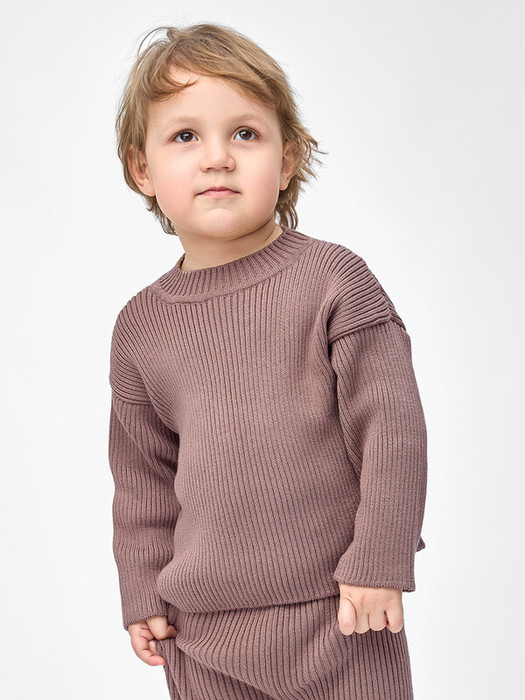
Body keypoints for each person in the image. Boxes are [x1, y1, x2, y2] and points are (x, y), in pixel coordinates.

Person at [108, 21, 428, 700]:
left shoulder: (335, 281)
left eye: (245, 133)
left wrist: (380, 556)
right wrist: (141, 586)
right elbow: (142, 477)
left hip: (340, 615)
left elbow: (392, 429)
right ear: (142, 169)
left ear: (286, 160)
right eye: (185, 136)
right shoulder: (140, 327)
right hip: (202, 635)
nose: (217, 158)